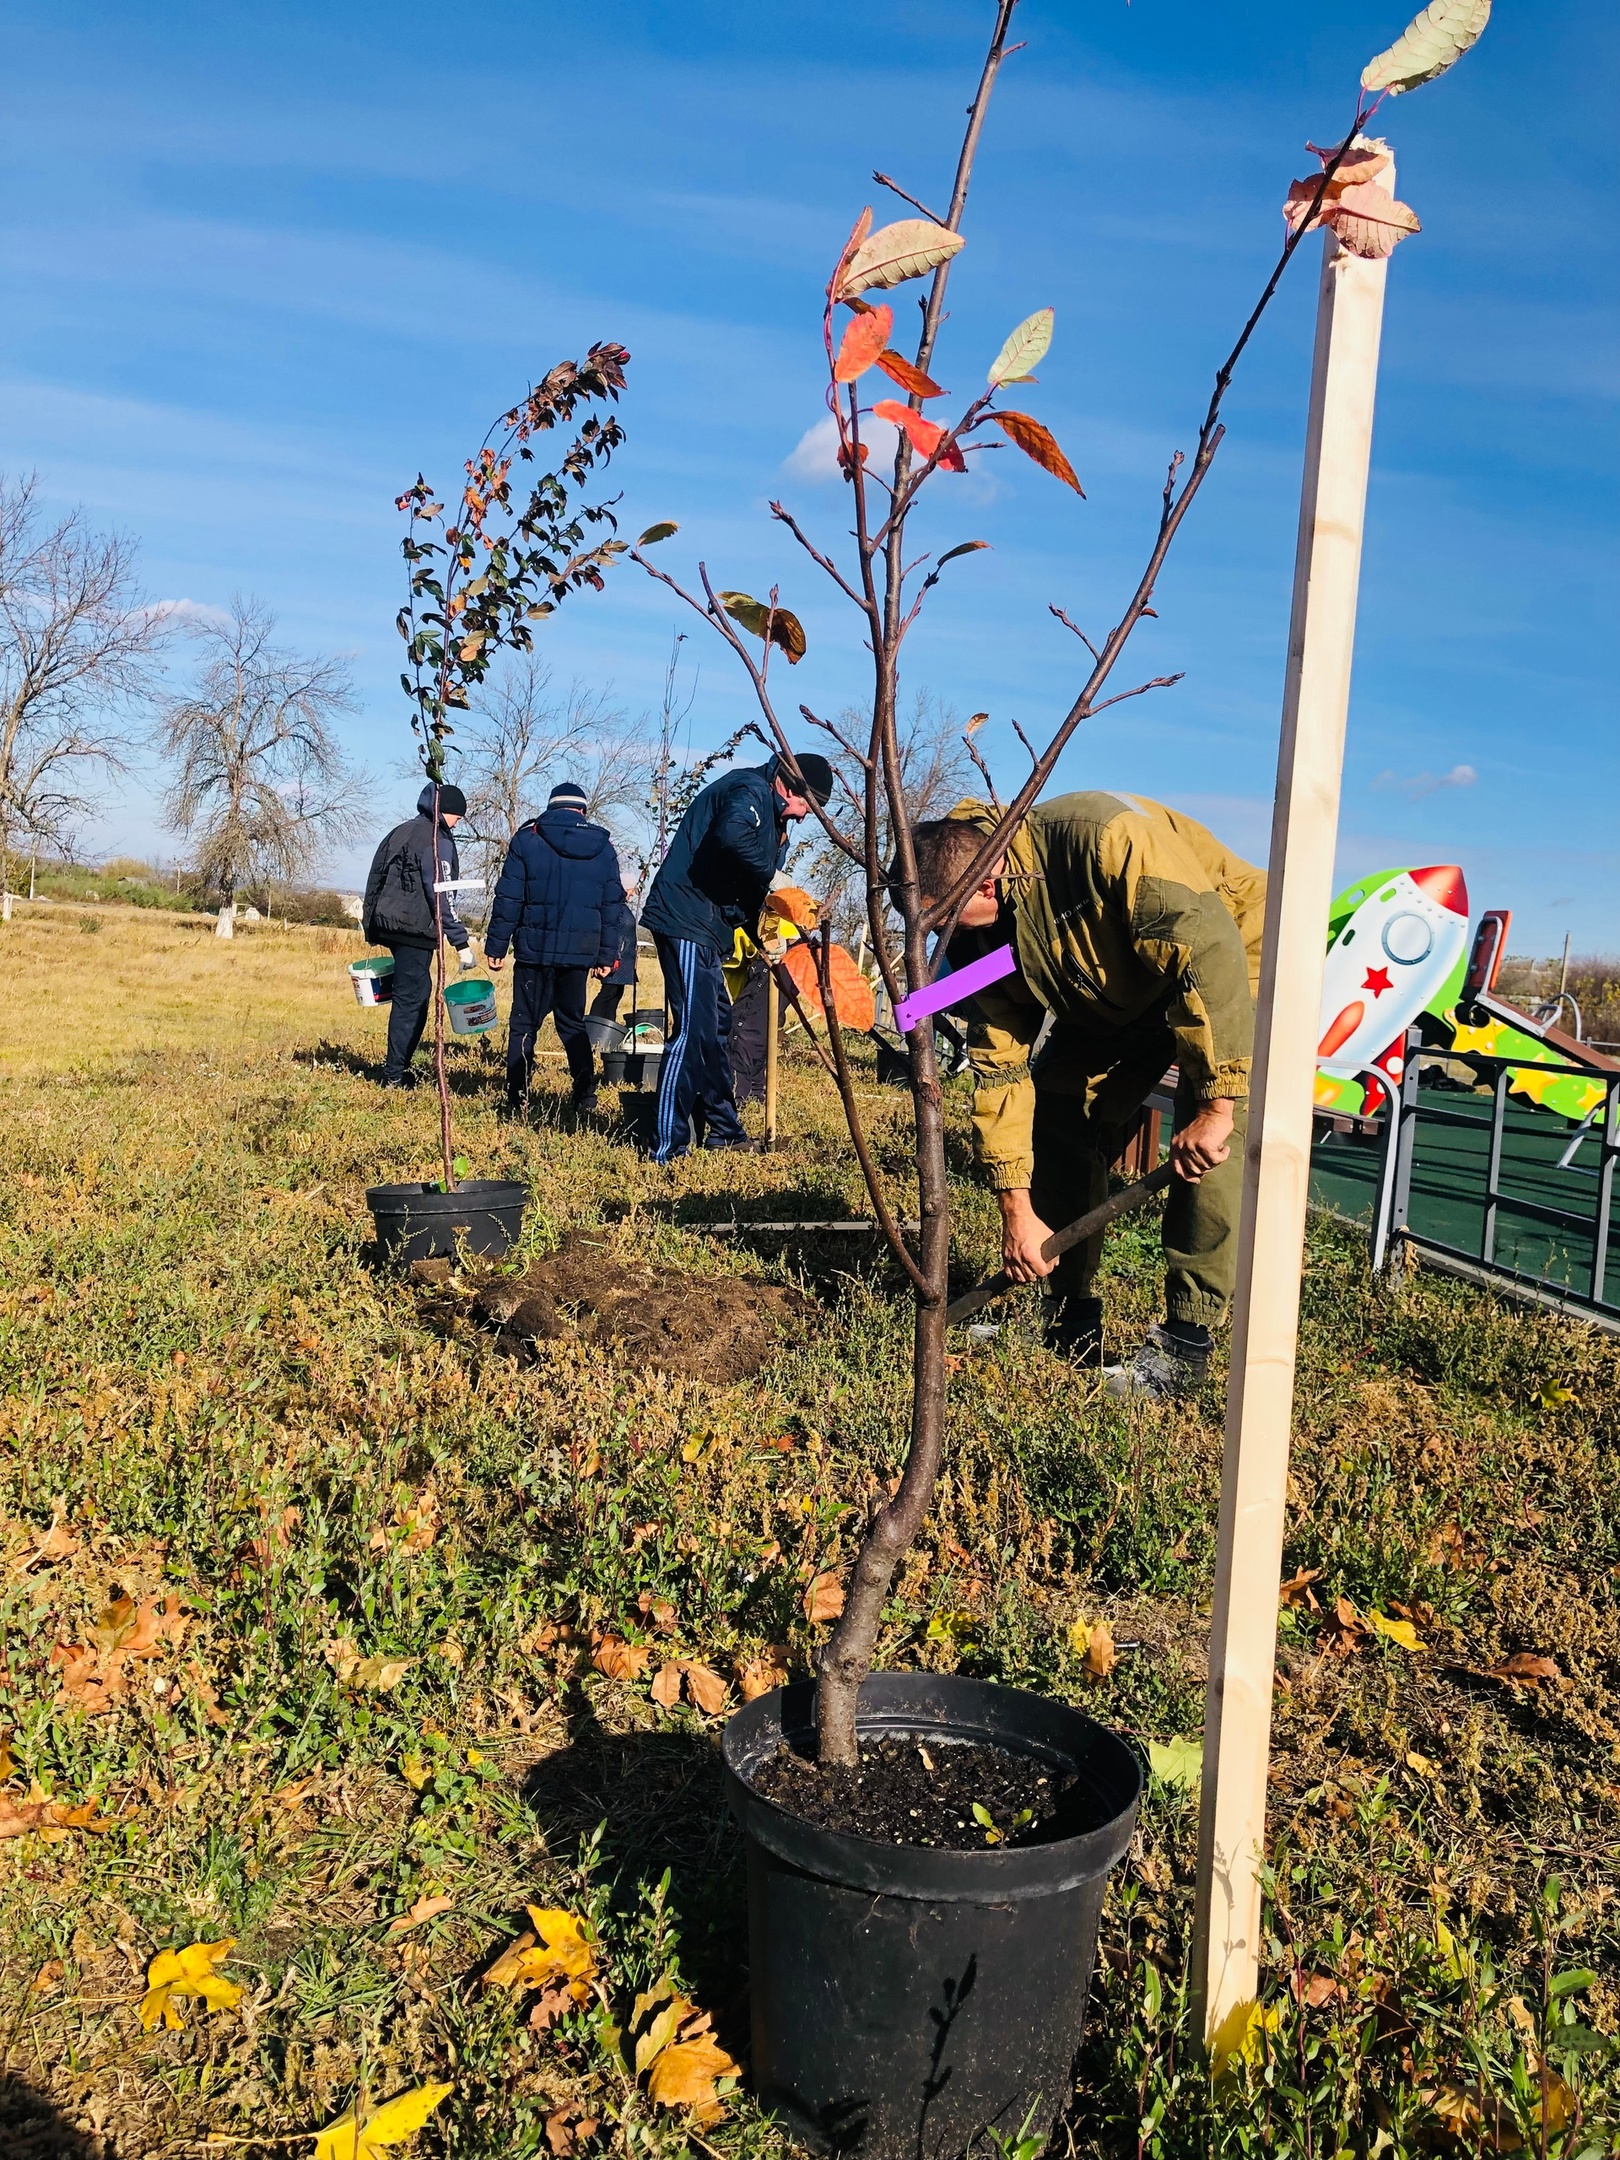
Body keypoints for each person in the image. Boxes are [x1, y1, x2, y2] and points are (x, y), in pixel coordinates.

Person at [911, 790, 1265, 1397]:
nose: (939, 941)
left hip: (1228, 957)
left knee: (1209, 1145)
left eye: (943, 921)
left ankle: (1186, 1345)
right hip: (1110, 989)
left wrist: (1217, 1103)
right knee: (1055, 1109)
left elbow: (1206, 952)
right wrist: (1016, 1212)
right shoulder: (978, 940)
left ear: (989, 884)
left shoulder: (1103, 839)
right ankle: (1070, 1319)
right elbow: (1000, 1073)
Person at [640, 749, 833, 1161]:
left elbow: (744, 890)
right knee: (693, 1032)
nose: (803, 816)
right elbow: (730, 836)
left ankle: (724, 1130)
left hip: (711, 929)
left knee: (717, 1028)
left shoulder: (774, 821)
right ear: (787, 784)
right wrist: (773, 876)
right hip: (685, 918)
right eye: (805, 805)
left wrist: (764, 936)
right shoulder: (748, 790)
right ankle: (667, 1146)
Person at [484, 781, 631, 1116]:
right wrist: (607, 955)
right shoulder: (604, 847)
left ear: (551, 808)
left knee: (524, 1024)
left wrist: (497, 944)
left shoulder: (527, 839)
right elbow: (613, 907)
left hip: (534, 951)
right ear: (582, 810)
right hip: (578, 954)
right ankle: (585, 1094)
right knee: (572, 1023)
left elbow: (509, 898)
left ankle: (517, 1099)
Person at [362, 782, 478, 1089]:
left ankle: (397, 1069)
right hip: (414, 928)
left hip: (391, 924)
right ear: (443, 811)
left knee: (413, 994)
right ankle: (394, 1076)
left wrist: (371, 923)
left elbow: (375, 876)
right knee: (411, 1001)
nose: (458, 820)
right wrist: (461, 942)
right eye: (456, 814)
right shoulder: (436, 841)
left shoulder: (402, 830)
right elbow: (441, 894)